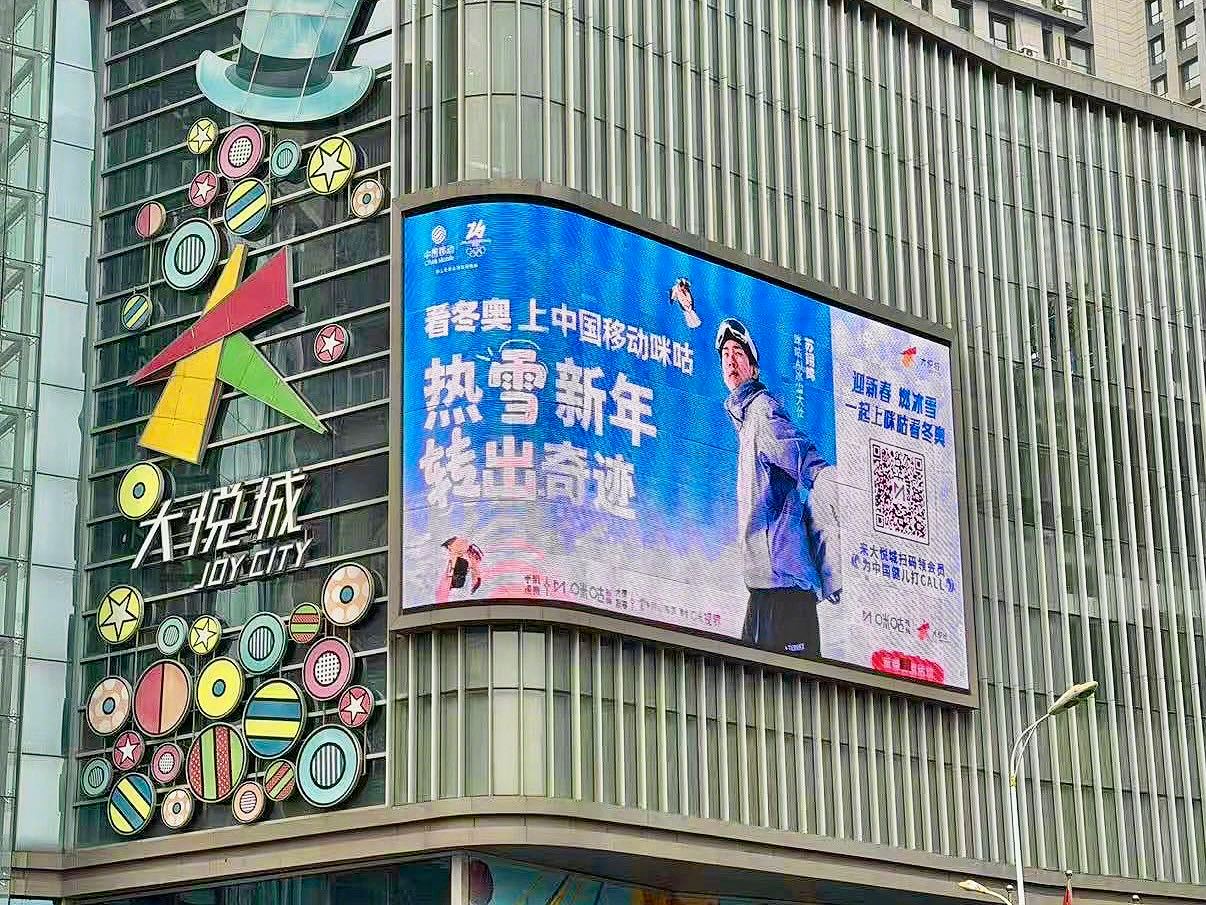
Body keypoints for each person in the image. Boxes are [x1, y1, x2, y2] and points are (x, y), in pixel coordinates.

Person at [716, 317, 842, 657]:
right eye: (725, 354)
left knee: (792, 687)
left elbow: (804, 459)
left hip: (786, 589)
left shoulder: (762, 412)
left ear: (754, 367)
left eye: (738, 353)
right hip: (763, 588)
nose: (731, 360)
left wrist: (832, 487)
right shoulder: (746, 421)